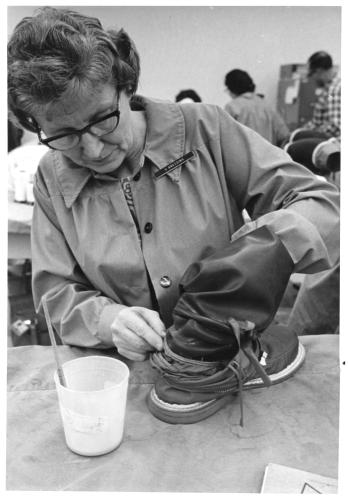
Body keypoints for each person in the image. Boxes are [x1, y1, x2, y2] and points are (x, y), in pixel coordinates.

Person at [8, 7, 339, 423]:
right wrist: (108, 320)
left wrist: (267, 251)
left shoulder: (207, 131)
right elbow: (54, 290)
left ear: (125, 85)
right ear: (35, 124)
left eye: (102, 120)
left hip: (233, 360)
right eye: (64, 135)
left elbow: (323, 205)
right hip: (119, 384)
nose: (91, 150)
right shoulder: (50, 178)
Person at [224, 69, 290, 146]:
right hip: (269, 155)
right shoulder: (266, 105)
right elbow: (284, 135)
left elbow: (225, 138)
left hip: (243, 156)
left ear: (232, 88)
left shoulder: (232, 106)